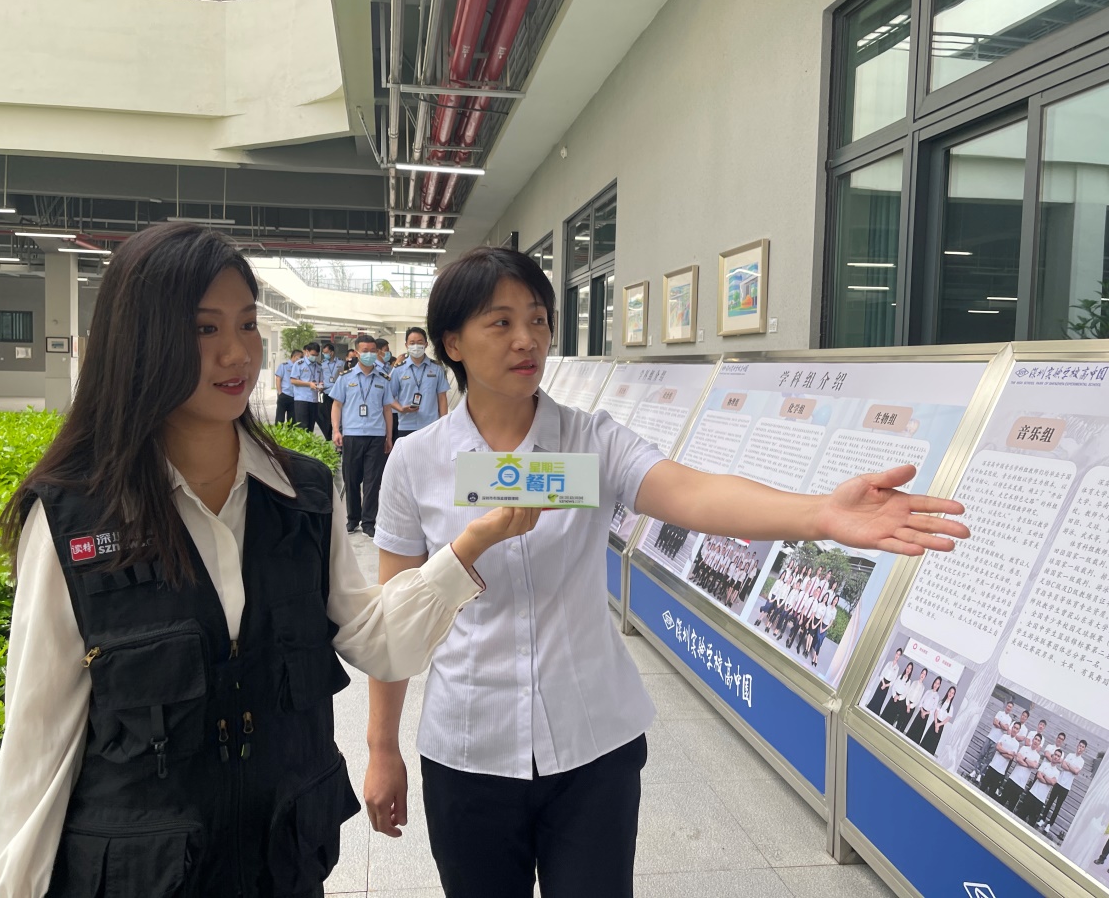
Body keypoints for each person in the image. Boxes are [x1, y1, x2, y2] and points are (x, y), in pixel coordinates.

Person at [360, 246, 968, 898]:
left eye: (537, 319)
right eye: (500, 322)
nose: (526, 339)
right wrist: (381, 748)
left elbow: (691, 492)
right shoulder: (416, 463)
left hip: (592, 746)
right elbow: (395, 622)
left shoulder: (591, 441)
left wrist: (819, 513)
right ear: (452, 342)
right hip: (468, 747)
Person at [0, 224, 540, 898]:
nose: (237, 352)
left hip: (282, 864)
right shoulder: (75, 519)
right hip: (146, 875)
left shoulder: (303, 495)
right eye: (203, 328)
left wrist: (470, 546)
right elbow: (39, 743)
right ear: (140, 341)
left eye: (246, 324)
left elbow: (377, 642)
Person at [329, 334, 391, 537]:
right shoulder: (345, 378)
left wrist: (389, 437)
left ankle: (369, 522)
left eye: (373, 351)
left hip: (376, 435)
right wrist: (336, 430)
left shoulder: (383, 379)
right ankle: (353, 519)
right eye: (365, 351)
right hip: (352, 434)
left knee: (372, 481)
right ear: (356, 352)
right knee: (351, 479)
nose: (369, 354)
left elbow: (387, 409)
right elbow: (337, 405)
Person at [384, 326, 449, 450]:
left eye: (419, 342)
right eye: (412, 343)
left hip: (431, 425)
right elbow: (388, 396)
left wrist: (443, 423)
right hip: (406, 426)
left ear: (426, 344)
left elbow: (442, 398)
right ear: (406, 345)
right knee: (408, 460)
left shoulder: (437, 368)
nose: (416, 346)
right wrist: (400, 408)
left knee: (430, 460)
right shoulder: (398, 370)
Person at [1042, 739, 1086, 831]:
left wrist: (1069, 766)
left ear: (1084, 749)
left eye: (1082, 747)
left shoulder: (1081, 761)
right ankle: (1042, 819)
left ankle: (1050, 824)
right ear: (1077, 745)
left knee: (1057, 806)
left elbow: (1076, 771)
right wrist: (1072, 769)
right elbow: (1063, 766)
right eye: (1080, 746)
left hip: (1066, 787)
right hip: (1059, 782)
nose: (1080, 748)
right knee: (1050, 801)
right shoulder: (1070, 755)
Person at [290, 340, 328, 435]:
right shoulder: (299, 364)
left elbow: (321, 381)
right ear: (307, 351)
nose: (314, 357)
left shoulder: (319, 366)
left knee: (310, 428)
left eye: (316, 355)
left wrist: (321, 386)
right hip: (302, 400)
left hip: (314, 400)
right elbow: (293, 380)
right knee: (302, 427)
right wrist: (308, 384)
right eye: (312, 354)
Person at [972, 700, 1016, 781]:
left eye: (1010, 707)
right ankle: (975, 770)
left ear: (1011, 709)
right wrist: (1001, 725)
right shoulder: (999, 713)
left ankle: (980, 774)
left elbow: (1006, 728)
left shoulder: (1009, 719)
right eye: (1008, 706)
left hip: (997, 741)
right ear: (1006, 706)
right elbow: (995, 722)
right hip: (990, 737)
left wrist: (1000, 723)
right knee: (982, 754)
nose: (1009, 708)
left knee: (988, 759)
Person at [1002, 733, 1042, 814]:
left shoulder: (1037, 756)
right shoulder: (1024, 748)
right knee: (1002, 800)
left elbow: (1033, 765)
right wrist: (1027, 765)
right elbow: (1018, 759)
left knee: (1011, 808)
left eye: (1038, 740)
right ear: (1032, 739)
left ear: (1039, 743)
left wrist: (1025, 759)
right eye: (1035, 739)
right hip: (1013, 779)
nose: (1036, 741)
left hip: (1021, 785)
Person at [980, 720, 1021, 799]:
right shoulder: (1004, 736)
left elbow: (1011, 757)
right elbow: (997, 747)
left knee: (991, 794)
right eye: (1014, 727)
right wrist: (1008, 752)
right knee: (982, 788)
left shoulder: (1016, 744)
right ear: (1012, 728)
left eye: (1017, 729)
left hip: (1000, 772)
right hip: (992, 766)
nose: (1015, 730)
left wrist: (1001, 752)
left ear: (1018, 731)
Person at [921, 684, 955, 756]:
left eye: (952, 693)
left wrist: (939, 725)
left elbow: (947, 719)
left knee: (933, 743)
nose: (950, 694)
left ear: (953, 695)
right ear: (947, 692)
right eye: (950, 692)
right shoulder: (941, 702)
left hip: (940, 725)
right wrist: (936, 723)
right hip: (935, 722)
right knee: (927, 739)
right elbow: (936, 712)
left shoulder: (951, 707)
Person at [907, 676, 942, 744]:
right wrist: (922, 711)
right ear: (933, 683)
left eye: (938, 684)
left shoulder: (937, 696)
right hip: (921, 711)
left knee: (918, 733)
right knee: (913, 728)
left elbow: (933, 709)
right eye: (935, 682)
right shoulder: (928, 691)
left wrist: (925, 713)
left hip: (926, 715)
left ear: (939, 685)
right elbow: (921, 702)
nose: (936, 685)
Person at [867, 648, 903, 716]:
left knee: (880, 700)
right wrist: (883, 683)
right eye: (897, 653)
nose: (897, 655)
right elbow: (882, 674)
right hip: (882, 682)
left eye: (899, 655)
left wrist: (885, 685)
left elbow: (893, 680)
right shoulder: (889, 663)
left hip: (887, 685)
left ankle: (875, 714)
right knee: (876, 697)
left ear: (899, 656)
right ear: (895, 654)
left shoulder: (897, 668)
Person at [320, 341, 344, 437]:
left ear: (332, 352)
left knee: (338, 416)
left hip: (337, 394)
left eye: (326, 352)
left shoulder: (341, 363)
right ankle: (328, 437)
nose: (324, 354)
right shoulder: (322, 364)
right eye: (323, 353)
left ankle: (338, 434)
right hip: (327, 393)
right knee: (327, 417)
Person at [882, 661, 914, 727]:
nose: (908, 670)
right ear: (906, 668)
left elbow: (905, 693)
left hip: (899, 701)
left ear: (911, 671)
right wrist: (894, 695)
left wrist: (898, 697)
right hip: (893, 697)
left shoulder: (909, 681)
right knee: (886, 714)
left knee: (891, 718)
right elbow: (894, 686)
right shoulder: (900, 676)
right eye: (908, 668)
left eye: (910, 669)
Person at [273, 348, 301, 424]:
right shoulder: (284, 366)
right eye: (300, 357)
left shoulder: (299, 367)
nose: (301, 359)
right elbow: (278, 379)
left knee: (292, 420)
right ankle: (278, 431)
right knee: (280, 418)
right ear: (295, 356)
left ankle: (290, 431)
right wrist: (280, 393)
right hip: (284, 394)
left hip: (294, 396)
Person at [899, 666, 929, 733]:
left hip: (912, 706)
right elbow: (908, 693)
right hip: (906, 703)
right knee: (900, 720)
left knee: (904, 724)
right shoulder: (914, 682)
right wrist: (908, 704)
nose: (922, 675)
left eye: (924, 674)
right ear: (920, 674)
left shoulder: (923, 687)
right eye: (922, 673)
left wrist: (911, 706)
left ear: (925, 677)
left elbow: (918, 699)